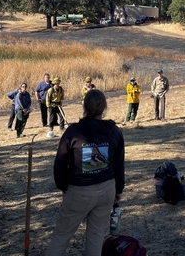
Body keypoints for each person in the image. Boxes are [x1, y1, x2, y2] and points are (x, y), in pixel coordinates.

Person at [46, 89, 125, 256]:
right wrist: (118, 190)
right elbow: (119, 165)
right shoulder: (115, 131)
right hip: (106, 190)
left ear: (85, 106)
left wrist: (64, 187)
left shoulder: (73, 132)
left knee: (62, 236)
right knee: (96, 237)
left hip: (79, 191)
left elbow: (60, 165)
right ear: (104, 107)